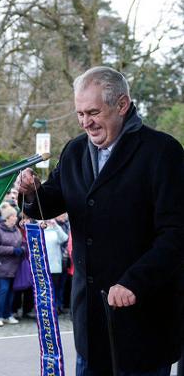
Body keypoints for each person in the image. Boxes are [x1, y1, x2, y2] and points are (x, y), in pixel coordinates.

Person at [17, 66, 184, 375]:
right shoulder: (74, 150)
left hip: (143, 324)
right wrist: (31, 192)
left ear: (122, 105)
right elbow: (47, 202)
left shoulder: (163, 153)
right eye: (80, 114)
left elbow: (176, 234)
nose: (85, 122)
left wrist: (135, 281)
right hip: (90, 325)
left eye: (93, 112)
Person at [0, 206, 25, 327]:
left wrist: (23, 249)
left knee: (11, 291)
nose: (16, 217)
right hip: (2, 266)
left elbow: (23, 242)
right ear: (8, 217)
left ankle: (7, 314)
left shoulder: (16, 230)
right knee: (3, 290)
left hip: (15, 266)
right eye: (14, 215)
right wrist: (12, 250)